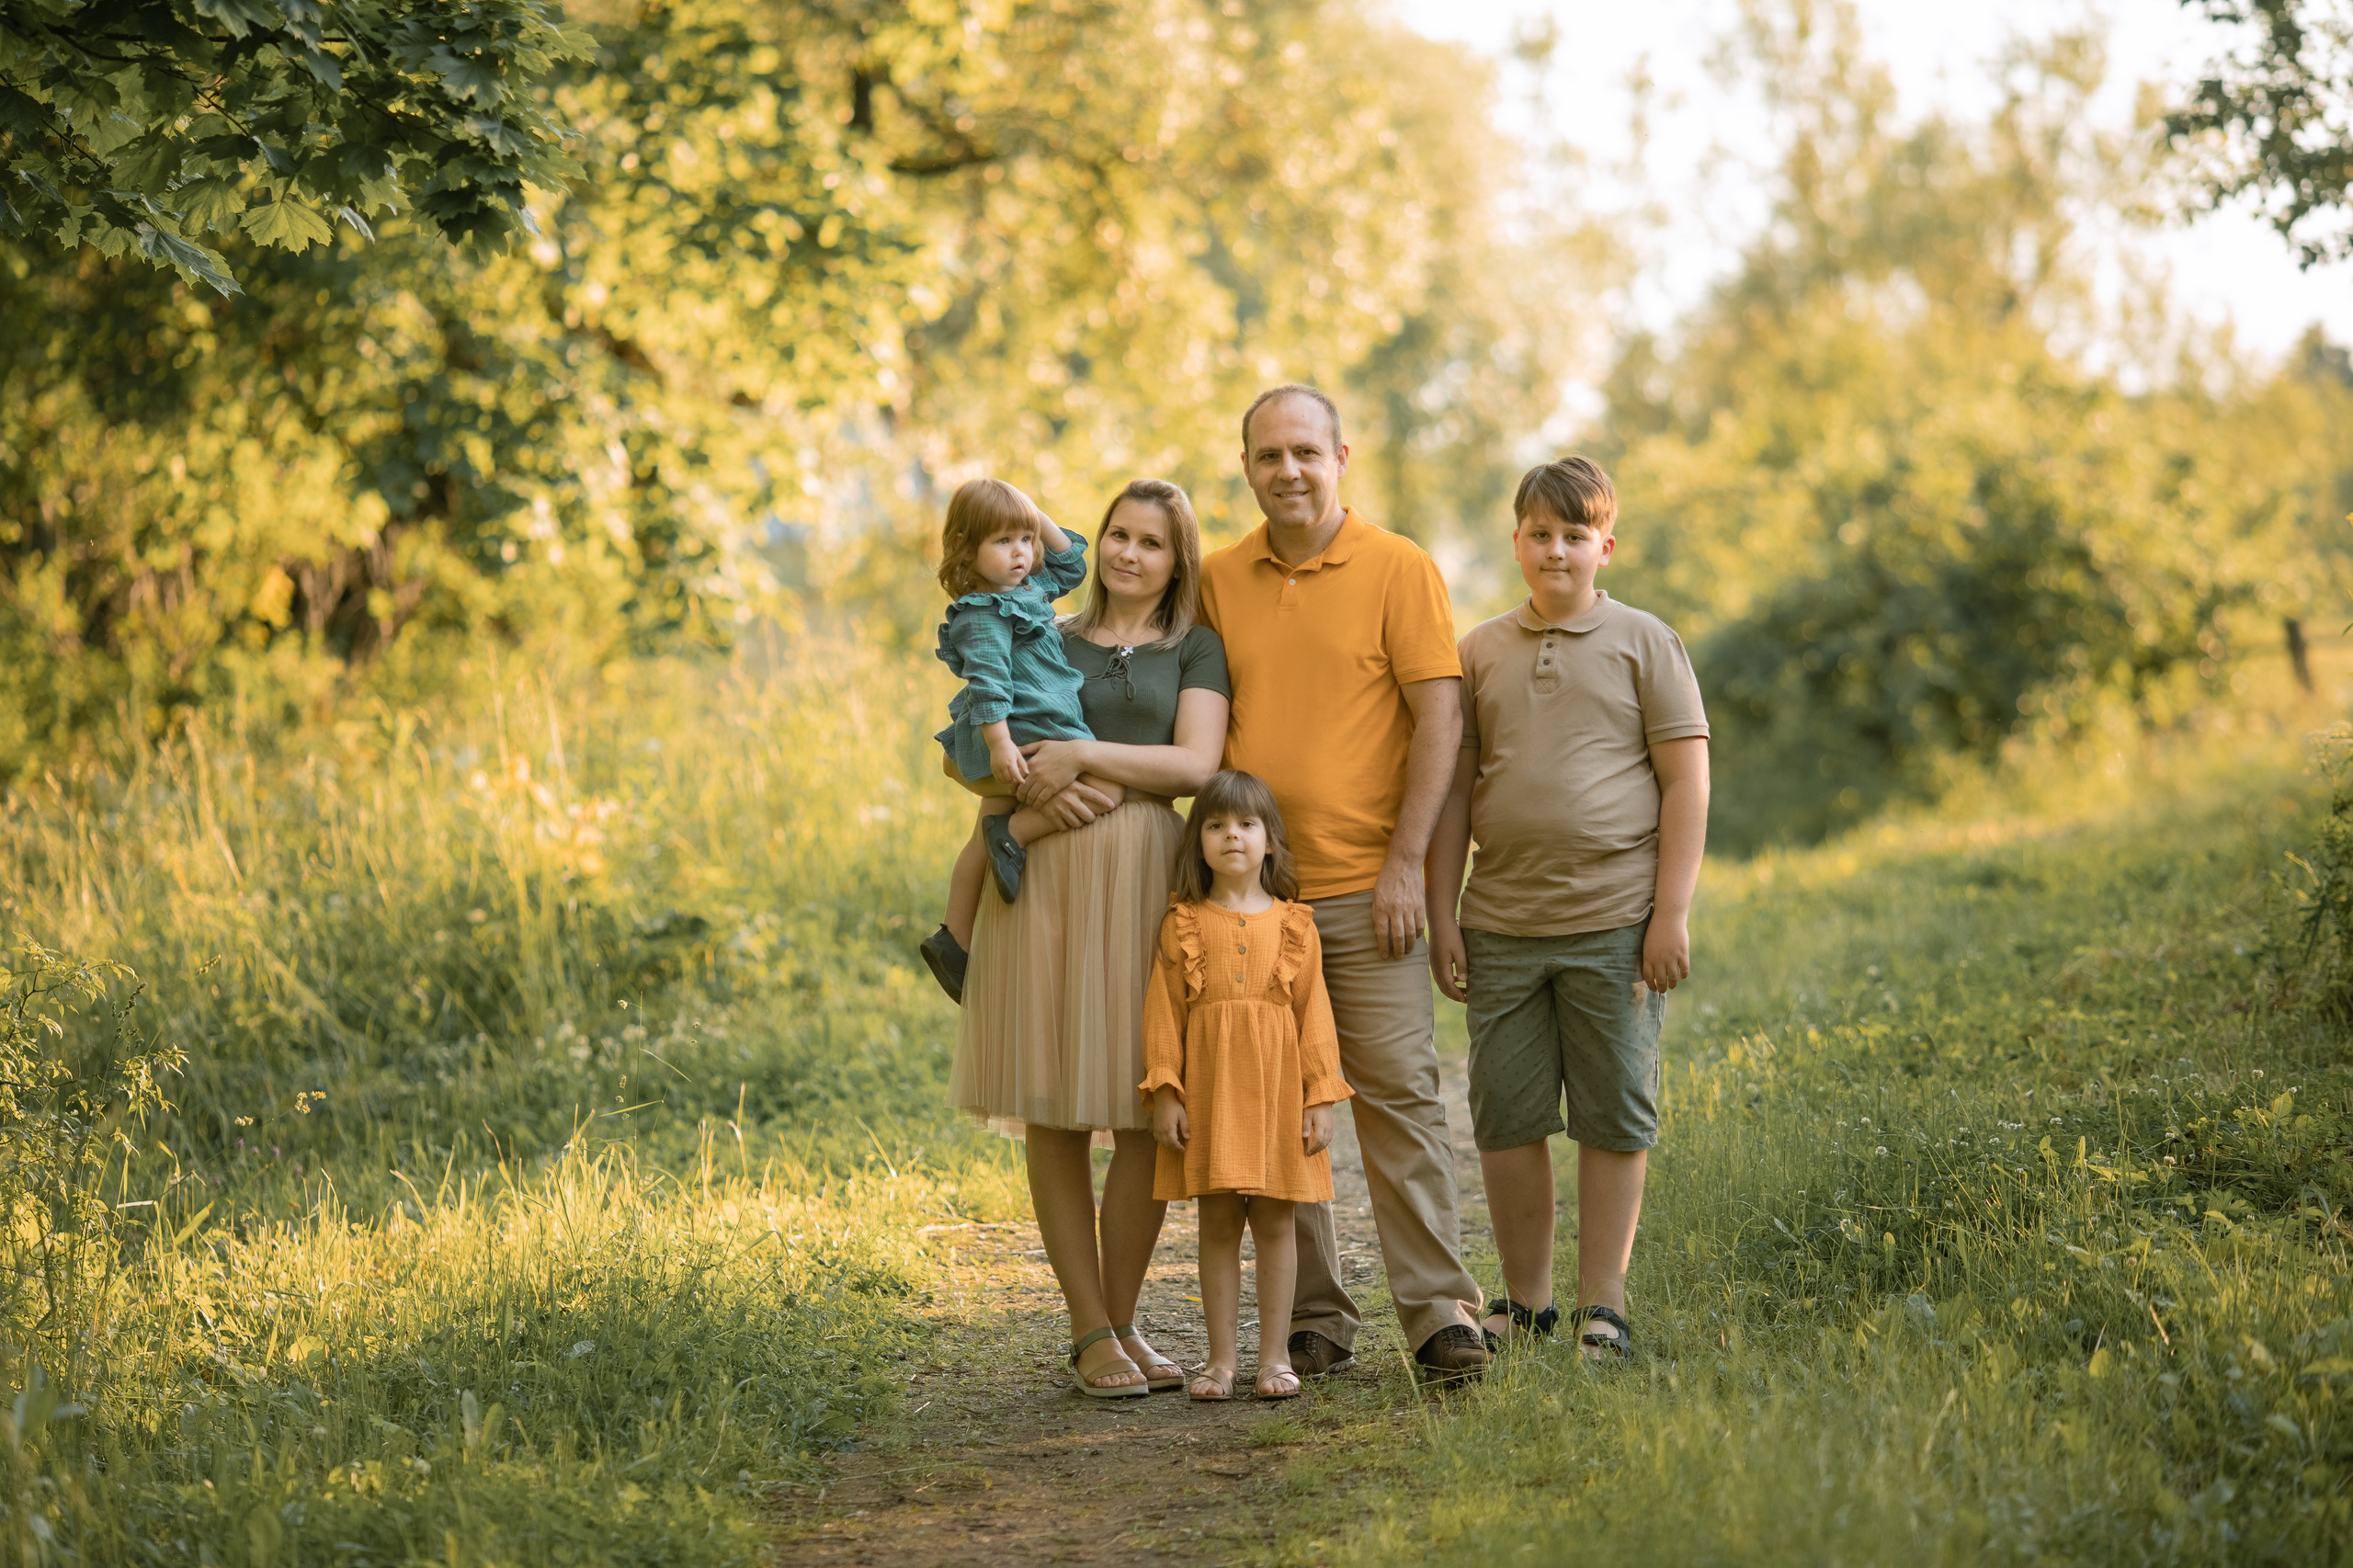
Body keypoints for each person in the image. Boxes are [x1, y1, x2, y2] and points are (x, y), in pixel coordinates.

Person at [1196, 384, 1492, 1381]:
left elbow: (1440, 719)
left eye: (1305, 453)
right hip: (1255, 894)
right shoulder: (1218, 578)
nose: (1288, 470)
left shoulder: (1398, 567)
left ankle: (1439, 1311)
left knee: (1398, 1092)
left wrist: (1408, 863)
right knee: (1280, 1102)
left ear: (1341, 457)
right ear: (1246, 467)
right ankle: (1314, 1313)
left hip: (1371, 887)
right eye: (1268, 455)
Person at [945, 479, 1231, 1397]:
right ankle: (1087, 1326)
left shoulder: (1195, 647)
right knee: (1057, 1103)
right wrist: (1034, 787)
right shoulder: (1042, 627)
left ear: (1177, 559)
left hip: (1149, 878)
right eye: (1116, 532)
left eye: (1152, 540)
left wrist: (1085, 757)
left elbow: (1194, 763)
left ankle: (1124, 1312)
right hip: (1049, 884)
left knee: (1146, 1103)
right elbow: (980, 746)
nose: (1128, 553)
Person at [1426, 456, 1711, 1360]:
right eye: (1539, 533)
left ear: (1604, 547)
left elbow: (1685, 781)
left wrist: (1670, 911)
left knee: (1612, 1110)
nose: (1555, 549)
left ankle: (1604, 1302)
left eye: (1573, 535)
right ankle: (1526, 1298)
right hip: (1502, 920)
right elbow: (1455, 790)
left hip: (1616, 921)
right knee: (1505, 1114)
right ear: (1515, 542)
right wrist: (1443, 914)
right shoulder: (1477, 651)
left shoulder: (1645, 642)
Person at [1142, 771, 1352, 1402]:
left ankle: (1272, 1360)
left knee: (1278, 1224)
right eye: (1214, 824)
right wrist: (1168, 1091)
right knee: (1217, 1225)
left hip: (1278, 1094)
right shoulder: (1182, 923)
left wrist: (1320, 1095)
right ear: (1197, 841)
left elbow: (1315, 1016)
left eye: (1246, 824)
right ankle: (1221, 1361)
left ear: (1269, 841)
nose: (1231, 834)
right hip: (1211, 1090)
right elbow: (1162, 1012)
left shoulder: (1295, 925)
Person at [921, 479, 1095, 1002]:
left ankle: (954, 938)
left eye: (1025, 539)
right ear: (966, 548)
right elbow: (988, 684)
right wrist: (1000, 746)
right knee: (1107, 788)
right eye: (1002, 542)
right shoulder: (982, 612)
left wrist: (1028, 508)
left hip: (1038, 726)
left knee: (983, 832)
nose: (1021, 552)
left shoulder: (1026, 592)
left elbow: (1072, 567)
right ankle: (1013, 835)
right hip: (1028, 731)